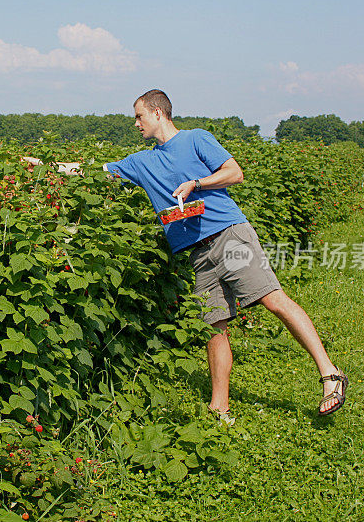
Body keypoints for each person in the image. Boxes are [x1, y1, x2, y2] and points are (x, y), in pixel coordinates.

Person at [102, 89, 348, 420]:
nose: (136, 123)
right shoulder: (143, 161)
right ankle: (220, 409)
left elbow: (235, 173)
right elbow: (94, 170)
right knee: (214, 327)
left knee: (273, 300)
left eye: (139, 116)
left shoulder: (195, 139)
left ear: (158, 113)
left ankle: (331, 375)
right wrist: (44, 167)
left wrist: (197, 184)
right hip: (198, 254)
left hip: (229, 236)